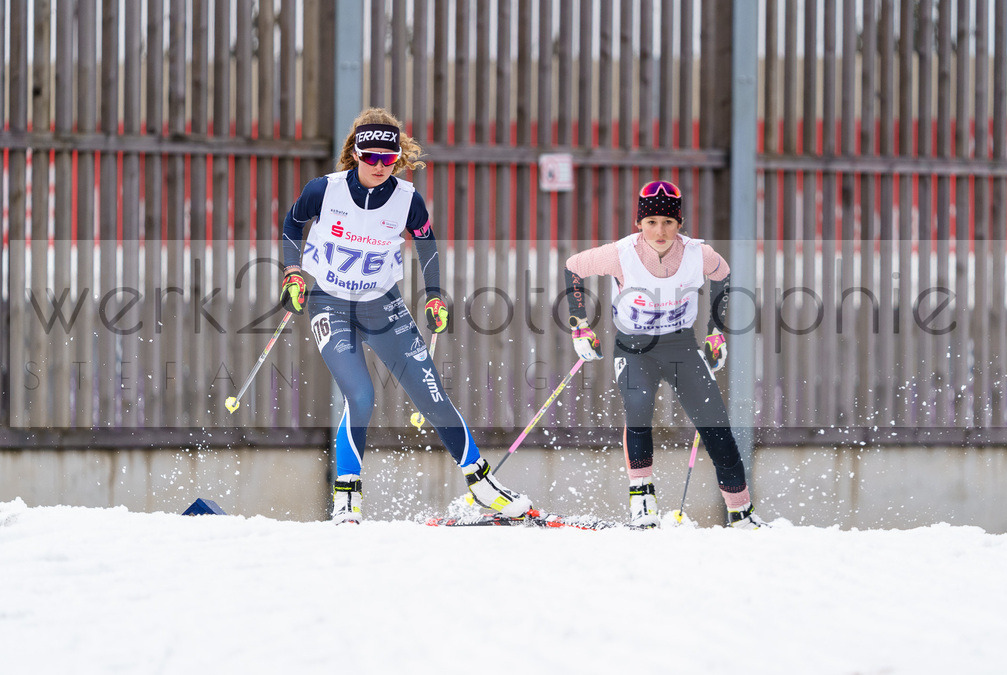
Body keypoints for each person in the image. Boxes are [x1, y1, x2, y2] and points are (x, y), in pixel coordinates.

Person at [279, 107, 531, 523]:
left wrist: (433, 296)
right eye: (371, 157)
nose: (380, 166)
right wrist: (291, 271)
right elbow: (292, 224)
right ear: (355, 154)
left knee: (432, 396)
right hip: (329, 303)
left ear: (399, 158)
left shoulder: (407, 198)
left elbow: (426, 245)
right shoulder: (324, 189)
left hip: (383, 305)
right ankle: (347, 499)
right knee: (360, 396)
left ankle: (484, 486)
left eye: (389, 158)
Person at [563, 180, 765, 529]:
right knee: (638, 407)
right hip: (634, 347)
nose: (660, 230)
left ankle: (741, 512)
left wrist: (717, 333)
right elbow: (573, 267)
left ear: (679, 224)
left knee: (716, 425)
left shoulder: (698, 254)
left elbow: (723, 275)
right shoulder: (620, 253)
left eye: (668, 222)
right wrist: (580, 324)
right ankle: (643, 499)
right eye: (652, 221)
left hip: (680, 344)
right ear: (639, 223)